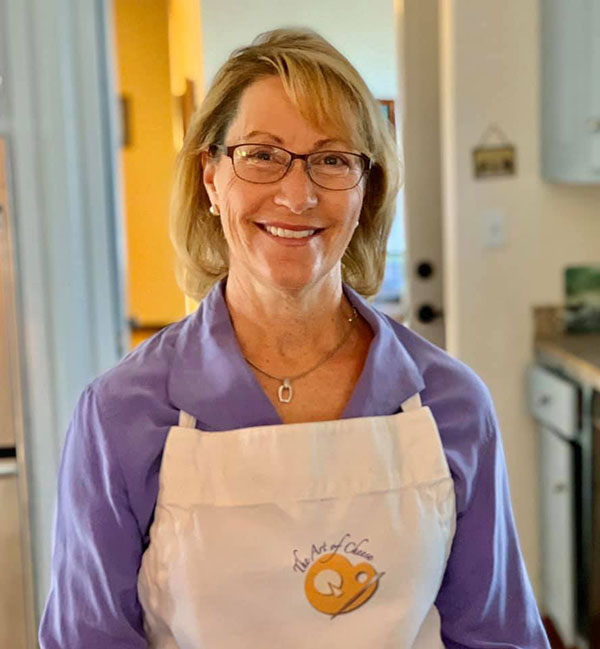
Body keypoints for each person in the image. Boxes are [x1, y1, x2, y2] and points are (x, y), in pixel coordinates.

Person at [39, 28, 551, 649]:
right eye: (262, 153)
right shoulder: (120, 413)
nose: (297, 193)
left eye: (333, 159)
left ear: (367, 191)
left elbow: (498, 638)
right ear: (211, 176)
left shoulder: (451, 404)